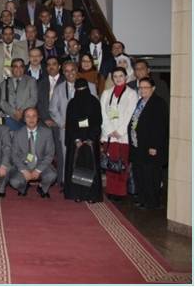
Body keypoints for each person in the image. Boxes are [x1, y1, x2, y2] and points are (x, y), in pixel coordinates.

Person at [49, 61, 97, 187]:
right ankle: (68, 183)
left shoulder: (90, 86)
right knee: (67, 156)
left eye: (72, 70)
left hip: (86, 130)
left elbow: (95, 109)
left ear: (77, 71)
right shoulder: (59, 88)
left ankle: (85, 184)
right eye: (66, 71)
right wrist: (62, 123)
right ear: (63, 73)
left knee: (86, 156)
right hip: (66, 129)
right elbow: (53, 109)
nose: (70, 73)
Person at [128, 77, 169, 210]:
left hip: (150, 147)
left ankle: (152, 202)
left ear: (153, 88)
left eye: (146, 87)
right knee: (139, 174)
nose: (142, 90)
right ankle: (142, 199)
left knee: (151, 176)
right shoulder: (141, 102)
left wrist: (154, 146)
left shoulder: (158, 103)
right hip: (138, 146)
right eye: (140, 87)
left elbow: (160, 127)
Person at [100, 67, 138, 201]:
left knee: (122, 164)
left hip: (123, 136)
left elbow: (130, 114)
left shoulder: (132, 94)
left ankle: (121, 192)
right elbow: (103, 113)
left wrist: (120, 131)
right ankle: (111, 190)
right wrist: (110, 130)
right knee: (109, 164)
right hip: (109, 136)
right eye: (115, 76)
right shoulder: (106, 93)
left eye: (121, 76)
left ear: (126, 77)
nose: (118, 78)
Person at [64, 79, 103, 203]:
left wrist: (90, 139)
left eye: (83, 89)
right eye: (78, 90)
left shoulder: (94, 102)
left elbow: (98, 122)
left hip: (90, 141)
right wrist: (76, 139)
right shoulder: (72, 103)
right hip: (76, 142)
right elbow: (69, 124)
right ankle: (77, 194)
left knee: (90, 167)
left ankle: (91, 195)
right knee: (76, 167)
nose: (81, 92)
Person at [10, 108, 57, 198]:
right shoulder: (17, 134)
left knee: (52, 175)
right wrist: (24, 170)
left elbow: (50, 154)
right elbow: (14, 155)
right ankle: (24, 187)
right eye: (28, 116)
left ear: (38, 117)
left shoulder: (47, 132)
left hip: (41, 163)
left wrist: (38, 170)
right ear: (24, 119)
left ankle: (42, 188)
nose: (31, 119)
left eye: (34, 116)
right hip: (24, 164)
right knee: (14, 182)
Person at [37, 56, 65, 165]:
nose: (51, 67)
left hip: (61, 124)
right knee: (43, 153)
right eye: (49, 64)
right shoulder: (40, 82)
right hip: (44, 123)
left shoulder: (65, 81)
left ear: (59, 66)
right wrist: (45, 118)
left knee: (60, 154)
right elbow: (38, 102)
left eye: (54, 64)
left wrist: (57, 120)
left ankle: (60, 179)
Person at [0, 58, 38, 131]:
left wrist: (21, 111)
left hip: (27, 118)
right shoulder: (4, 83)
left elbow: (33, 99)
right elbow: (1, 102)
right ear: (11, 68)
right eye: (15, 66)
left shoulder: (31, 81)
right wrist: (14, 112)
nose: (18, 69)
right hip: (10, 118)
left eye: (21, 66)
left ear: (24, 68)